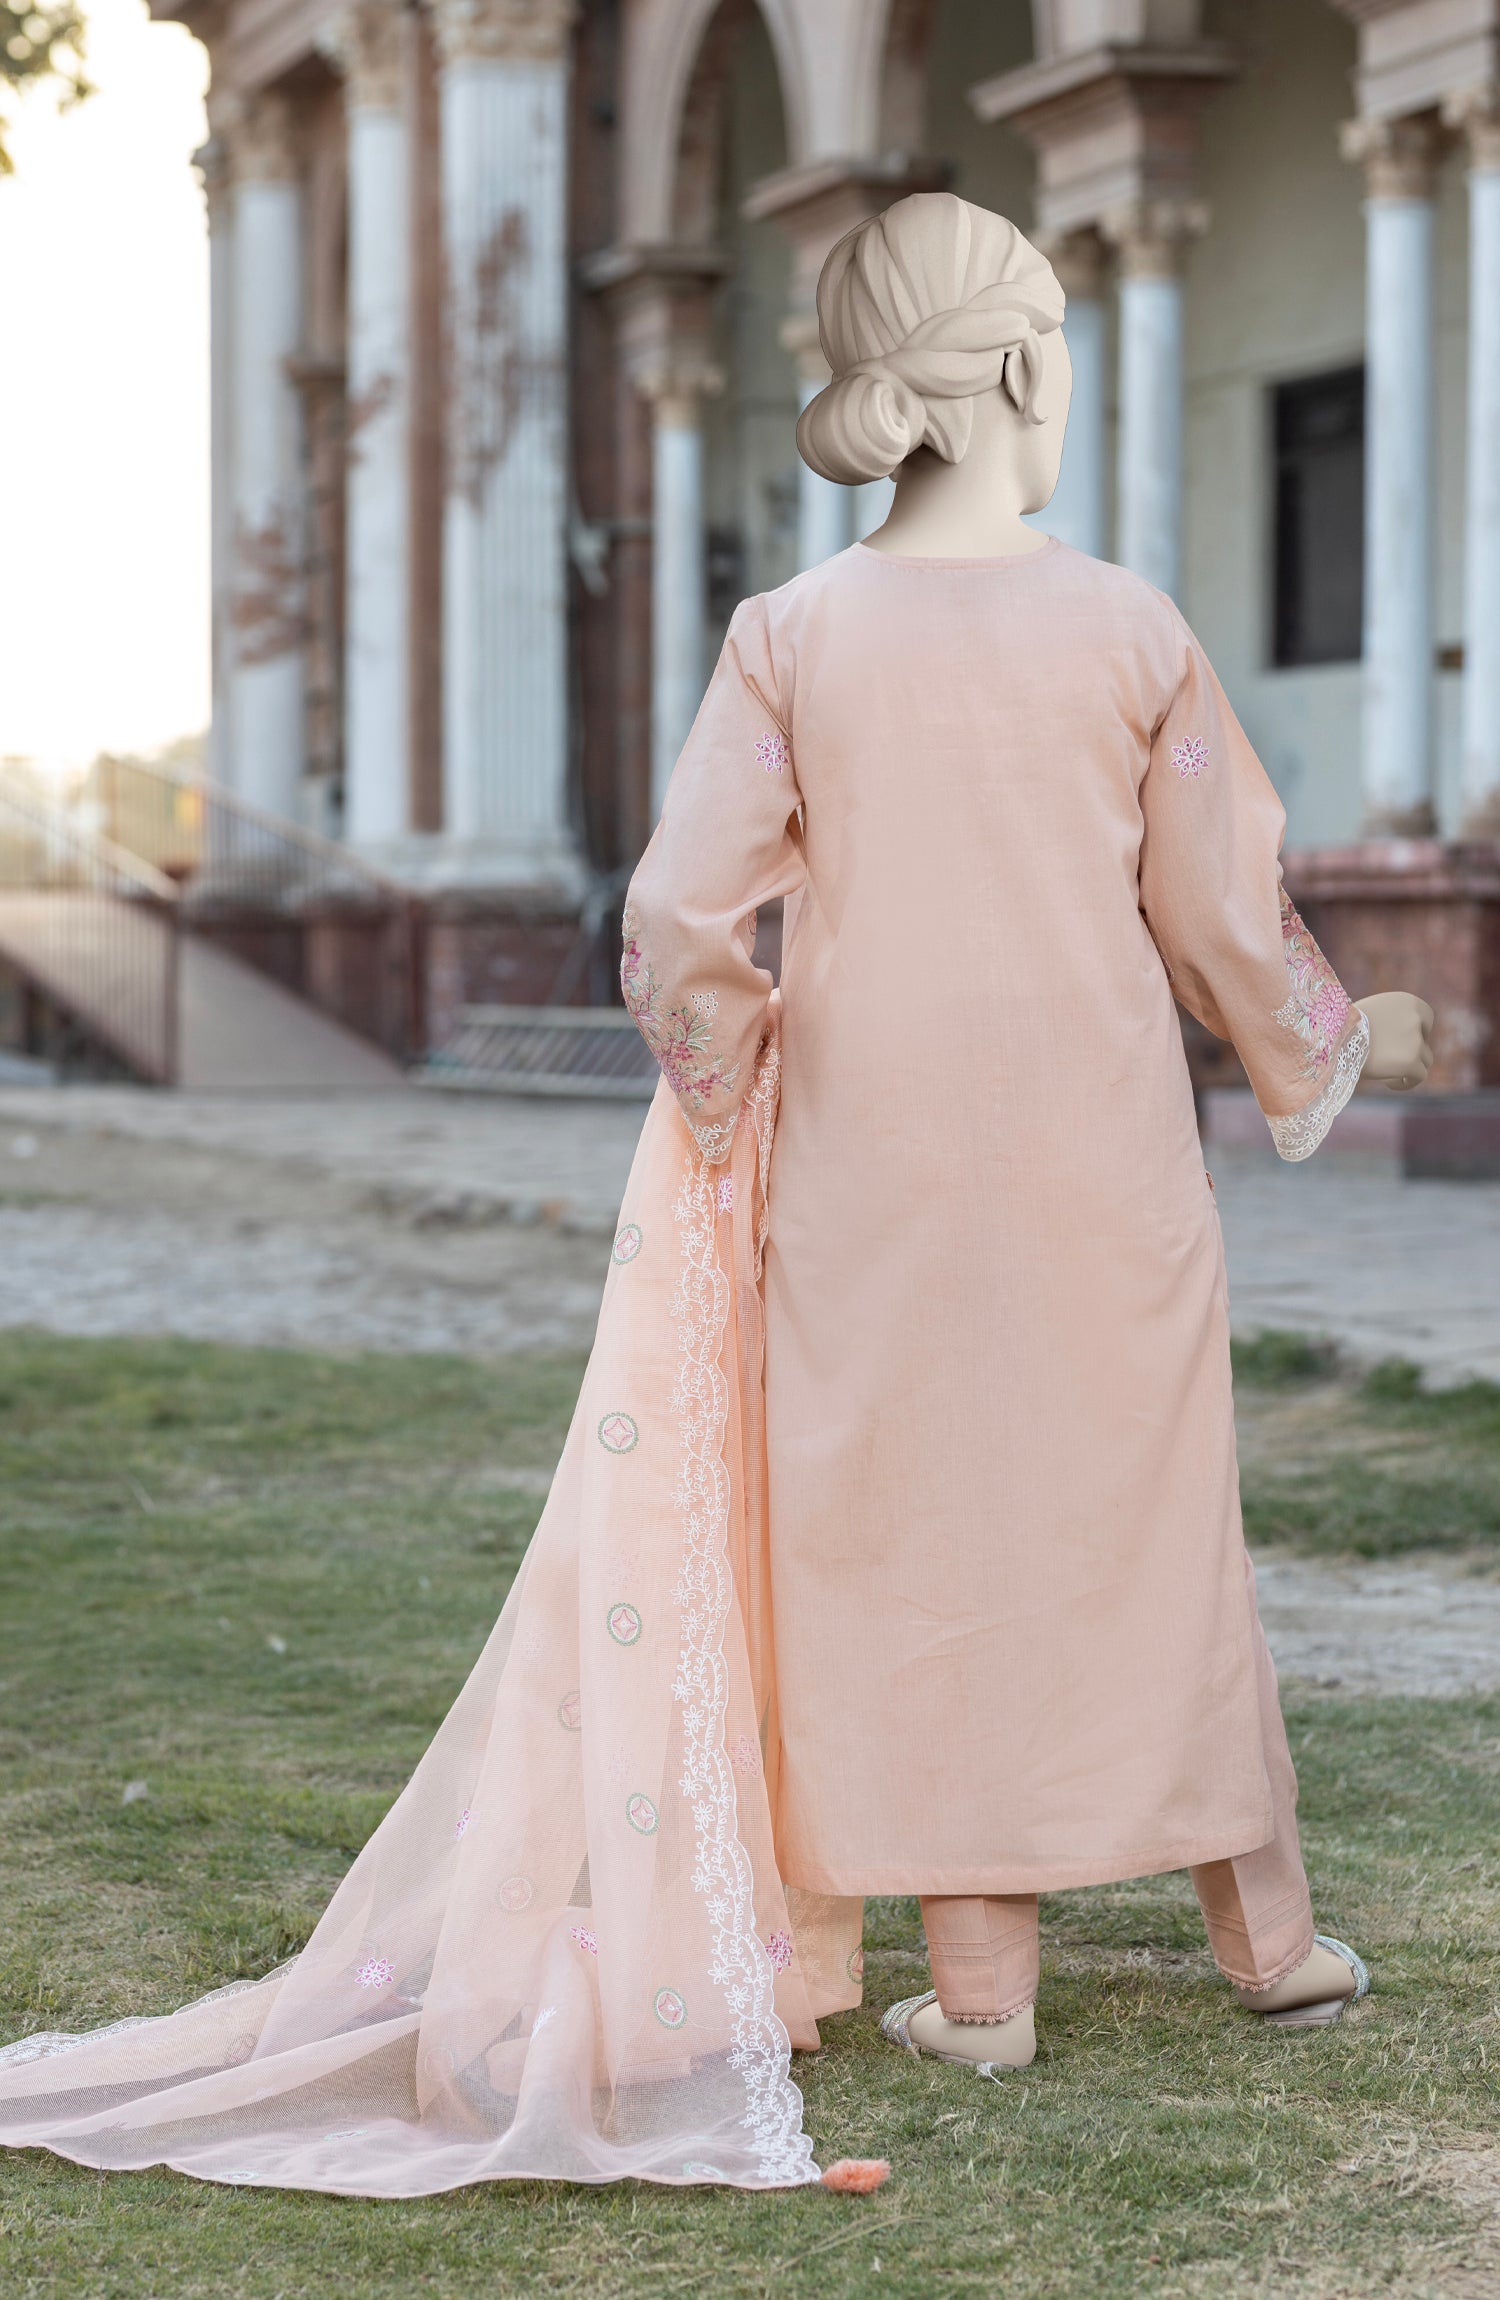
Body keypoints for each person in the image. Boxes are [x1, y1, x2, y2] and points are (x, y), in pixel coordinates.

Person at [0, 194, 1433, 2194]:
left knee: (908, 1537)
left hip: (870, 1160)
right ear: (1022, 371)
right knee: (1149, 1513)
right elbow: (1217, 904)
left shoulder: (792, 638)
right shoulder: (1133, 628)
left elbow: (679, 914)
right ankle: (1268, 1941)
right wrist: (1331, 1039)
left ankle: (986, 1986)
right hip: (1102, 1147)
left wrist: (731, 1073)